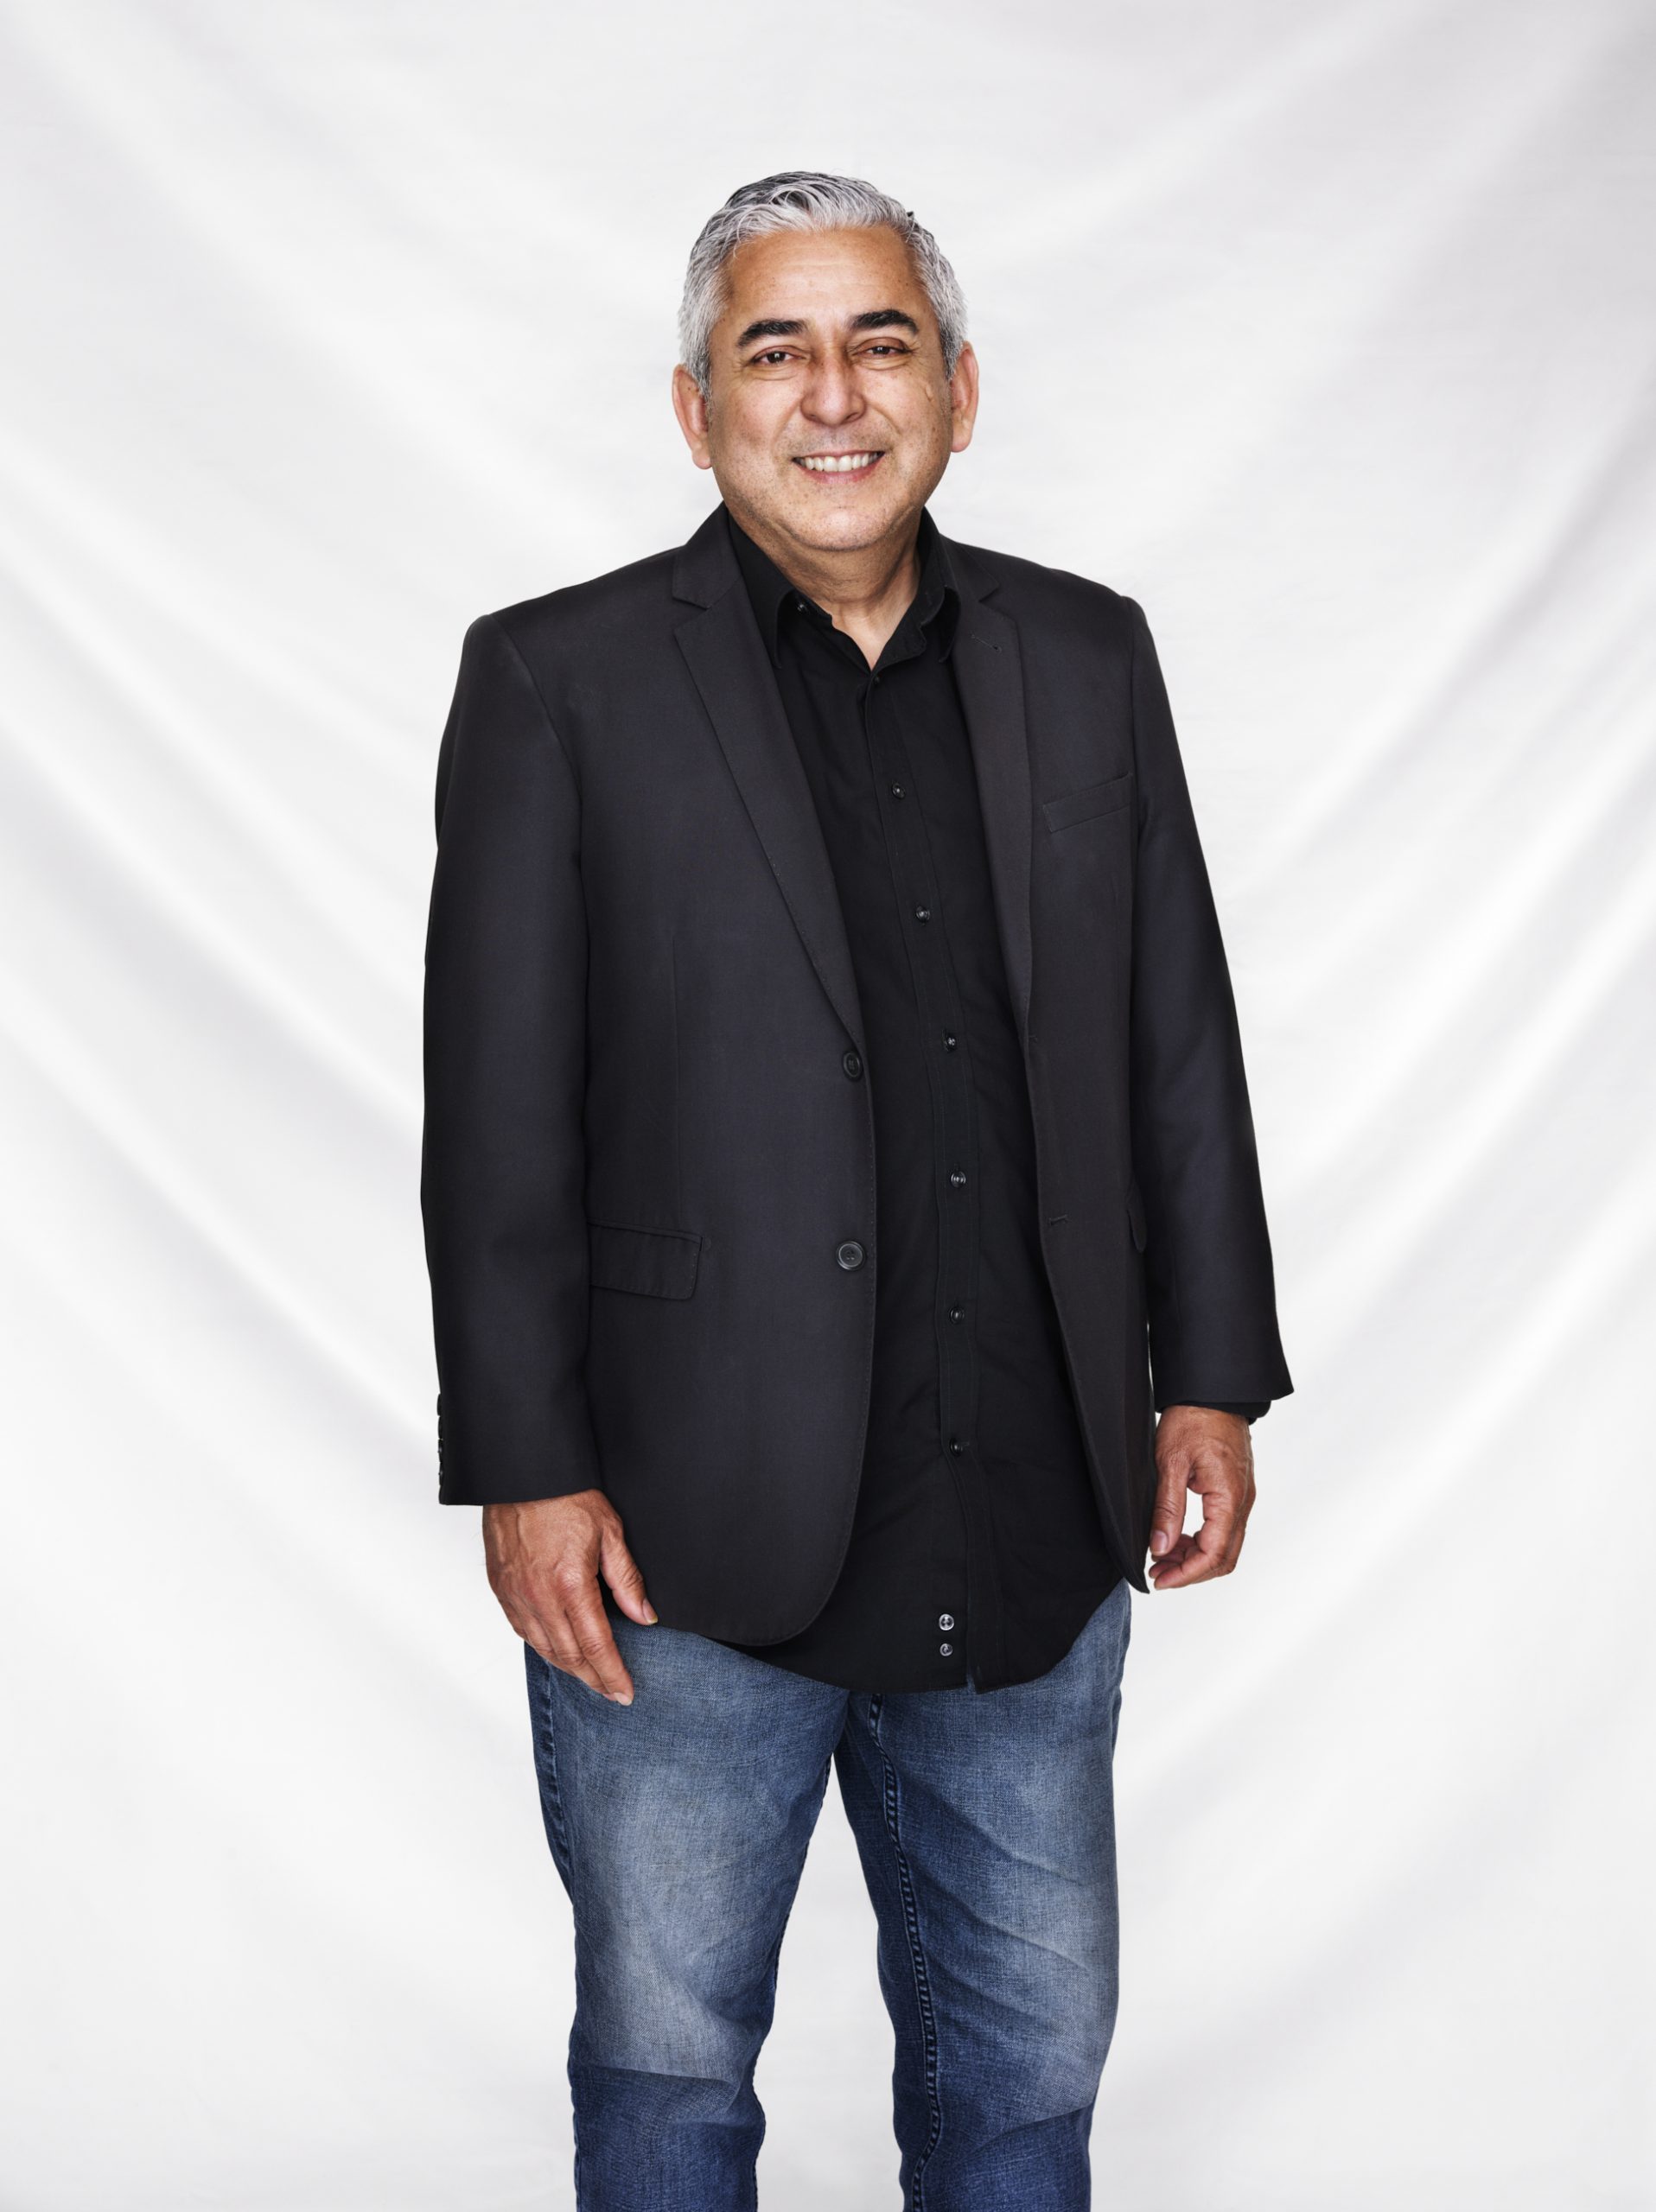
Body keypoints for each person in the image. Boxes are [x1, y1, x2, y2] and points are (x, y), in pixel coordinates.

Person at [421, 170, 1291, 2212]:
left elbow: (1175, 1031)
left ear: (957, 390)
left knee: (1026, 2083)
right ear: (694, 406)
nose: (833, 395)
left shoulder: (1087, 654)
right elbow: (496, 1117)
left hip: (1034, 1500)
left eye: (880, 343)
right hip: (679, 1529)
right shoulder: (556, 678)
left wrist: (1209, 1374)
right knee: (667, 2071)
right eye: (775, 349)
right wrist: (526, 1468)